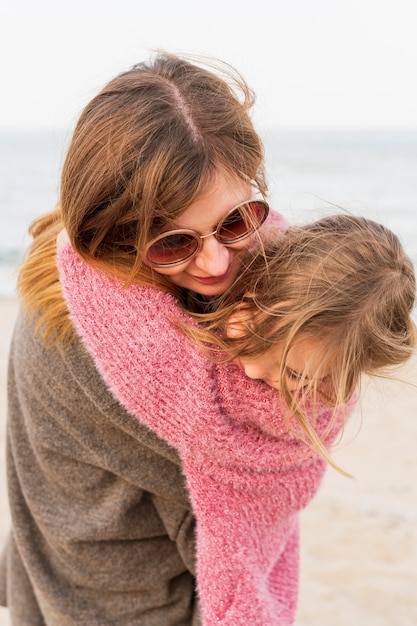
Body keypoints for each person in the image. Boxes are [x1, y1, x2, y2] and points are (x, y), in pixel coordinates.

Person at [0, 52, 290, 626]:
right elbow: (254, 471)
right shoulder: (107, 345)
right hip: (128, 602)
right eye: (172, 243)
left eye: (237, 220)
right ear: (113, 228)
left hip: (63, 570)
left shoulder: (61, 256)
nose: (213, 261)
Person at [55, 213, 415, 625]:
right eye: (291, 369)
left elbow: (75, 245)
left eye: (301, 377)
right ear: (252, 302)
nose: (274, 382)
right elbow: (83, 254)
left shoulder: (323, 395)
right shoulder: (185, 374)